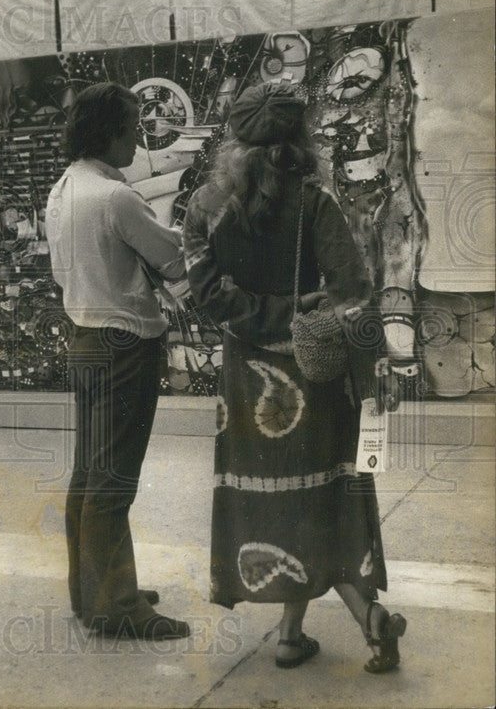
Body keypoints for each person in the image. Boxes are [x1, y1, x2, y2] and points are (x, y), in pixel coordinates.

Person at [182, 81, 406, 672]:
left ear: (233, 137)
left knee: (280, 501)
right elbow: (354, 294)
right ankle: (369, 618)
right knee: (327, 496)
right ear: (300, 137)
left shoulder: (204, 208)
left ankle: (289, 636)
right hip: (319, 374)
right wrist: (375, 371)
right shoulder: (315, 202)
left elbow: (206, 296)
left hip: (248, 385)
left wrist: (263, 316)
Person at [45, 82, 188, 640]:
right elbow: (174, 262)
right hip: (125, 346)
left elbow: (63, 272)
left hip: (84, 340)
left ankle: (94, 590)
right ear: (108, 132)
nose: (139, 137)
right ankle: (119, 609)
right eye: (132, 127)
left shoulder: (63, 189)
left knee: (89, 477)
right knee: (114, 484)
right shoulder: (116, 198)